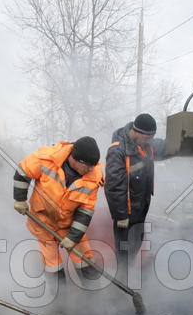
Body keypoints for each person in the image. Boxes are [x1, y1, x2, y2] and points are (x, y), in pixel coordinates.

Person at [13, 137, 103, 280]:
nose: (92, 169)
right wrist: (19, 200)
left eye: (94, 165)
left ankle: (93, 296)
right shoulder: (47, 159)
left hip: (69, 223)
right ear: (76, 160)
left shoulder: (93, 177)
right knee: (53, 265)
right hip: (42, 222)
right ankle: (59, 298)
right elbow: (24, 170)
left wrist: (73, 237)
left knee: (85, 262)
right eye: (88, 166)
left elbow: (86, 210)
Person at [105, 113, 159, 264]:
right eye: (147, 138)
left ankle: (128, 275)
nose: (149, 142)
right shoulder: (118, 150)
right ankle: (121, 281)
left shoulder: (146, 146)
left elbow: (164, 146)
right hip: (125, 212)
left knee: (135, 245)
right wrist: (121, 216)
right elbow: (114, 186)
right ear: (136, 132)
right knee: (124, 250)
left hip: (141, 208)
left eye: (151, 138)